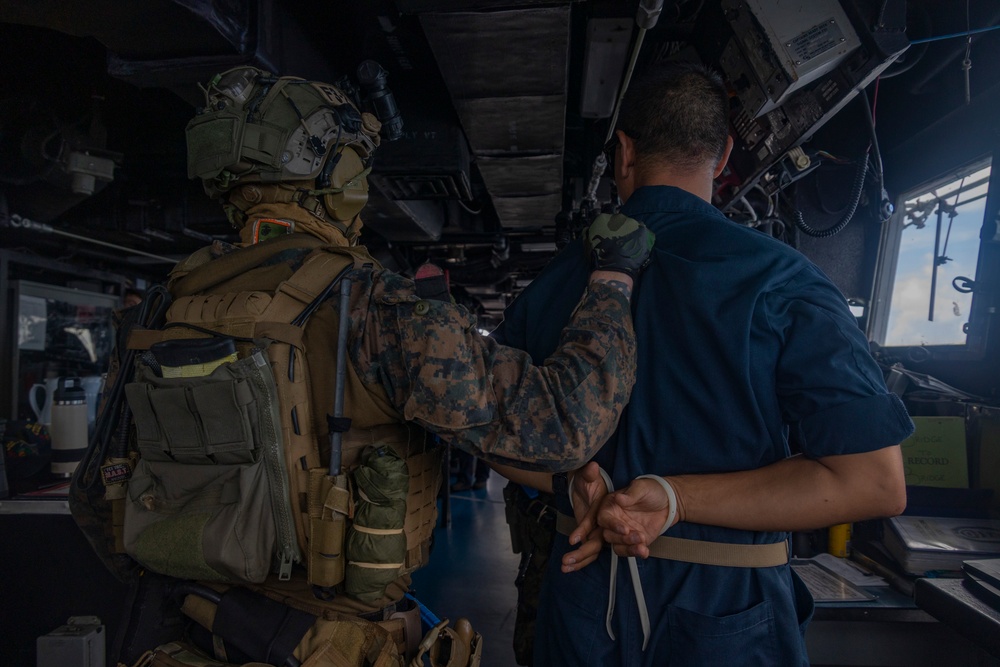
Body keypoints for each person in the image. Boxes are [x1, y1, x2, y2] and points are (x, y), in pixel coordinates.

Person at [70, 66, 655, 666]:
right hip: (325, 645)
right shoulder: (376, 309)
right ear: (338, 177)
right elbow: (562, 425)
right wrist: (614, 277)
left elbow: (95, 497)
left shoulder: (162, 309)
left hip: (188, 635)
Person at [492, 62, 913, 666]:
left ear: (624, 153)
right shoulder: (783, 281)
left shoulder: (554, 286)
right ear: (722, 158)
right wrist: (675, 499)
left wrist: (573, 479)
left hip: (580, 607)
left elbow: (482, 427)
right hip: (726, 619)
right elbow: (874, 481)